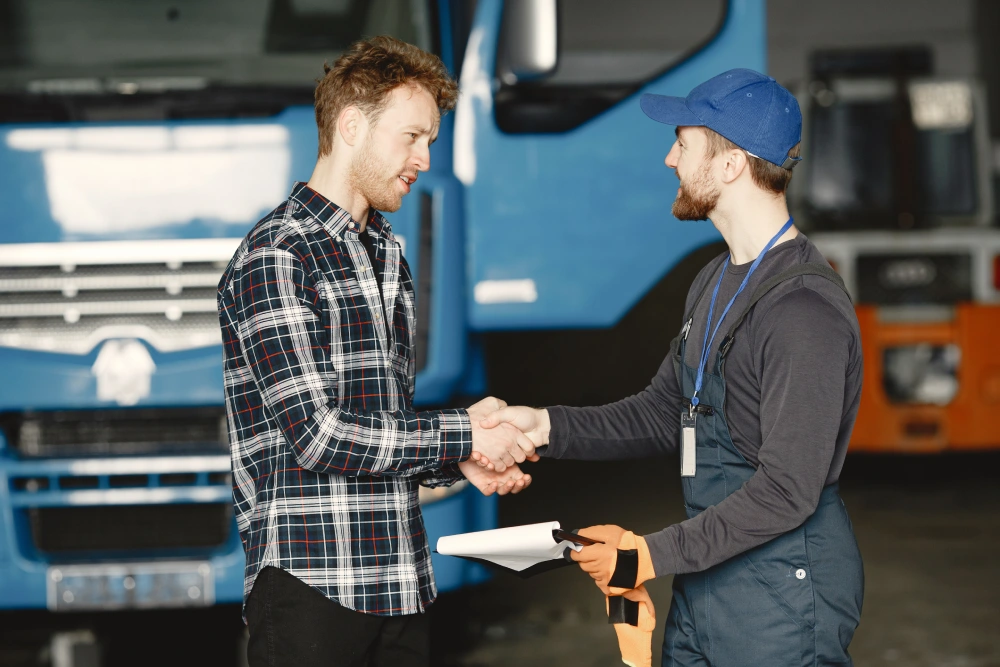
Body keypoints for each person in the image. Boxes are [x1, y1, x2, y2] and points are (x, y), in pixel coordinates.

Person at [481, 69, 865, 666]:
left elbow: (789, 490)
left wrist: (644, 557)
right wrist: (543, 427)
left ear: (733, 163)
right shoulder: (714, 281)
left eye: (683, 143)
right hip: (707, 578)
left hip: (783, 601)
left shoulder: (803, 313)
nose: (668, 158)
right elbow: (666, 411)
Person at [217, 36, 536, 667]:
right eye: (412, 136)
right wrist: (463, 436)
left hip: (399, 580)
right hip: (313, 585)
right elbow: (319, 436)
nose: (423, 158)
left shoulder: (385, 250)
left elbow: (377, 426)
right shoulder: (277, 256)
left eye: (430, 142)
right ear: (353, 126)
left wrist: (454, 465)